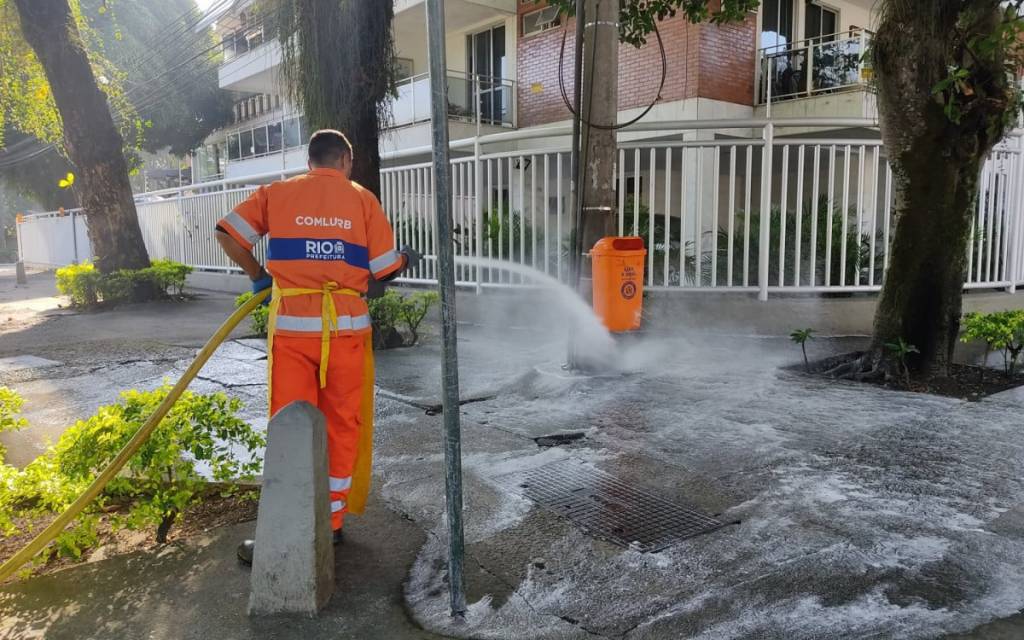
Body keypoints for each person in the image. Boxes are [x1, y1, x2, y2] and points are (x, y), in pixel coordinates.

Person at [214, 129, 420, 564]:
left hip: (291, 335)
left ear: (311, 161)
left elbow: (228, 234)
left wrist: (258, 276)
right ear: (345, 159)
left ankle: (288, 524)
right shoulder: (362, 199)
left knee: (290, 426)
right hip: (345, 336)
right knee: (342, 424)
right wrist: (403, 259)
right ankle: (332, 524)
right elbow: (383, 271)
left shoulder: (277, 193)